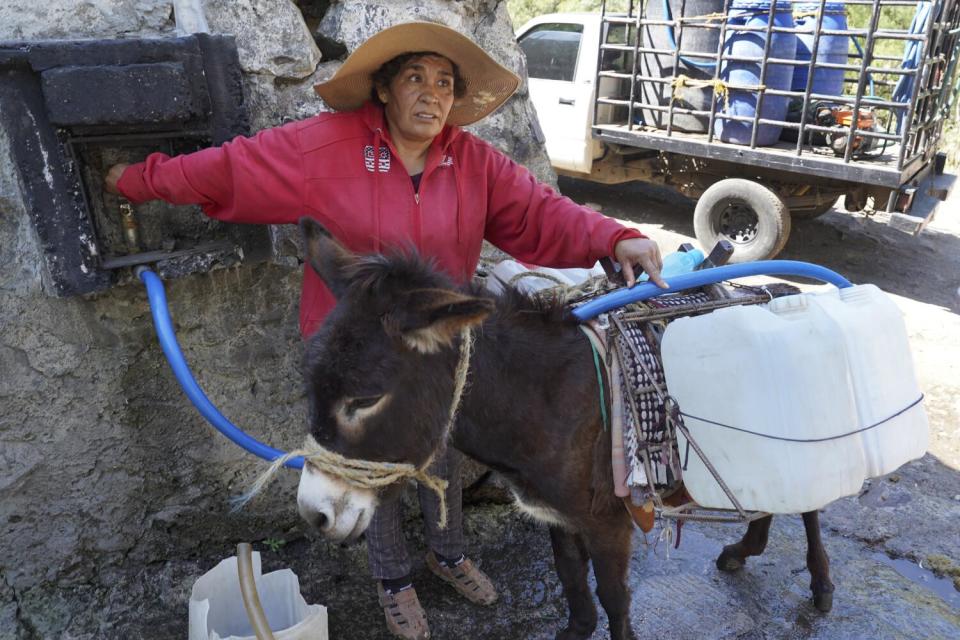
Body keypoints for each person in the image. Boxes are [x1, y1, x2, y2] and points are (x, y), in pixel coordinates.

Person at [105, 21, 666, 640]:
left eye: (445, 83)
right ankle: (394, 580)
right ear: (383, 90)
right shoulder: (322, 147)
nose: (431, 95)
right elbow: (228, 170)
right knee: (373, 474)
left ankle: (449, 554)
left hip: (434, 348)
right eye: (415, 79)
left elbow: (541, 213)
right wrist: (136, 181)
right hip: (355, 357)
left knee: (446, 458)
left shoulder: (473, 161)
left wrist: (615, 236)